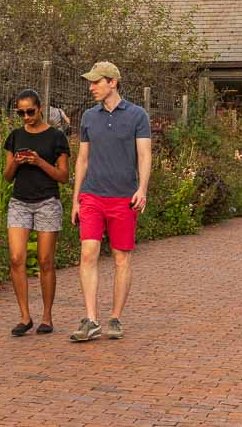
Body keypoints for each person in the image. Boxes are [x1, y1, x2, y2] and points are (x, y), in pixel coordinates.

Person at [69, 62, 152, 342]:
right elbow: (82, 159)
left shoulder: (138, 115)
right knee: (88, 253)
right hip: (92, 195)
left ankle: (115, 318)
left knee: (121, 258)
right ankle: (91, 319)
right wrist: (76, 199)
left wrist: (142, 189)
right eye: (91, 82)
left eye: (96, 82)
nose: (91, 87)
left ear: (113, 82)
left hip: (123, 198)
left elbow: (144, 155)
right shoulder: (88, 117)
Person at [2, 89, 70, 336]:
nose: (26, 117)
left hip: (47, 201)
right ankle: (24, 316)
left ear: (40, 108)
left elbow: (63, 176)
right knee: (16, 258)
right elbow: (7, 176)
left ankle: (46, 317)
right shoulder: (15, 136)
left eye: (30, 111)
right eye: (20, 112)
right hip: (20, 201)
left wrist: (39, 161)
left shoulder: (56, 137)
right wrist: (17, 162)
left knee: (45, 260)